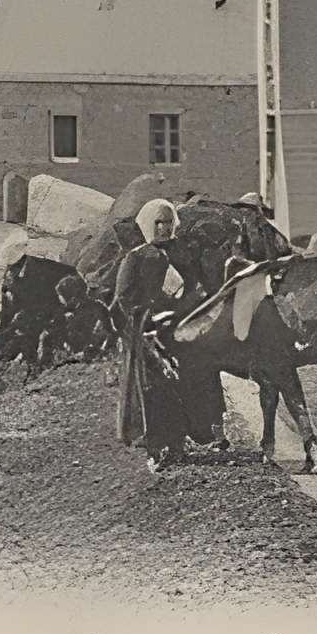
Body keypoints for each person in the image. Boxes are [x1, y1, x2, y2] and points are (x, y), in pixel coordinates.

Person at [112, 199, 223, 468]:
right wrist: (145, 318)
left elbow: (199, 287)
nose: (163, 228)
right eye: (157, 222)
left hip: (181, 332)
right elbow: (123, 298)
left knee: (188, 385)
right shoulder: (136, 257)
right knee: (155, 391)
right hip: (148, 336)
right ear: (147, 225)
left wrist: (192, 307)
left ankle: (182, 442)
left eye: (168, 222)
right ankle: (155, 447)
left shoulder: (183, 254)